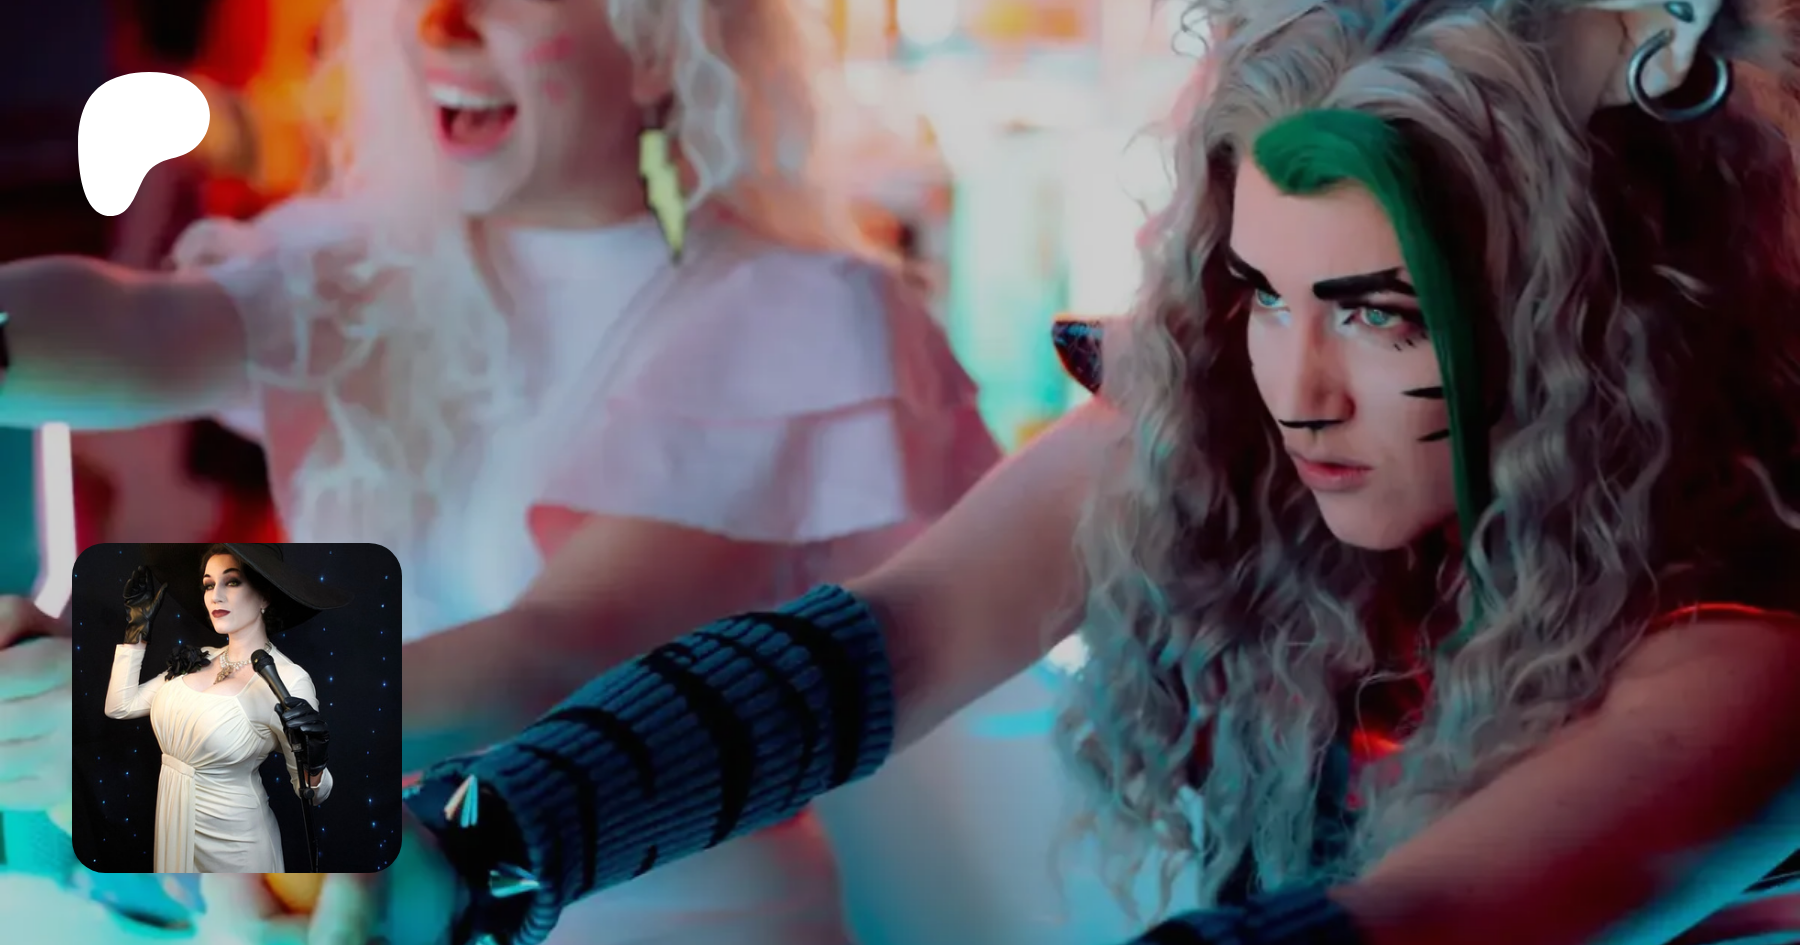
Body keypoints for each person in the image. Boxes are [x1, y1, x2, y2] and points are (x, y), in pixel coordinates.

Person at [355, 0, 1800, 943]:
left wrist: (361, 811)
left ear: (1583, 320)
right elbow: (868, 648)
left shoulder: (1742, 643)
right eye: (1260, 295)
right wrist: (418, 836)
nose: (1298, 390)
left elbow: (1434, 916)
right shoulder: (341, 287)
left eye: (1380, 313)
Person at [0, 0, 998, 941]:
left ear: (661, 43)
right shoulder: (360, 268)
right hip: (384, 905)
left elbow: (561, 653)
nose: (446, 23)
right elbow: (139, 326)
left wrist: (166, 709)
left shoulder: (793, 312)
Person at [102, 544, 343, 873]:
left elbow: (313, 794)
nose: (215, 596)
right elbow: (119, 706)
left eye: (231, 582)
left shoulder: (289, 679)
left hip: (236, 849)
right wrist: (136, 634)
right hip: (173, 825)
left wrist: (315, 761)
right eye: (208, 584)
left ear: (265, 596)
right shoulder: (199, 658)